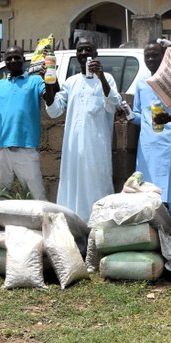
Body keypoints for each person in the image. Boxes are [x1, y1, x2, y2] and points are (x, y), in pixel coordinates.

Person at [47, 37, 125, 222]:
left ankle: (96, 229)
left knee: (96, 186)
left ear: (95, 54)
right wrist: (48, 82)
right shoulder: (70, 82)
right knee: (71, 187)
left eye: (88, 50)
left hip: (96, 148)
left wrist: (101, 76)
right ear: (76, 55)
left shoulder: (107, 79)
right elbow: (54, 110)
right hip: (72, 150)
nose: (84, 53)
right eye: (80, 50)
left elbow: (114, 104)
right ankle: (74, 228)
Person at [0, 45, 59, 199]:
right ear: (5, 62)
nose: (13, 60)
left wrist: (49, 79)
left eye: (17, 57)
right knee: (0, 196)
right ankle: (2, 223)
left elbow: (51, 100)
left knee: (37, 196)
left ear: (23, 60)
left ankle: (41, 223)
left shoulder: (35, 81)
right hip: (1, 150)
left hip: (27, 149)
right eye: (9, 58)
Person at [130, 41, 171, 245]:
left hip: (168, 147)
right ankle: (154, 245)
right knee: (146, 198)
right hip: (146, 149)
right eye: (147, 56)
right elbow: (141, 116)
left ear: (164, 57)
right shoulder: (142, 83)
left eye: (155, 55)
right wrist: (128, 115)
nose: (151, 60)